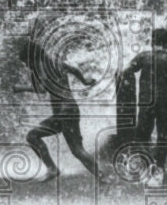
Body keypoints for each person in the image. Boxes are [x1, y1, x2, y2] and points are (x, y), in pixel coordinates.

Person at [15, 36, 103, 182]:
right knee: (77, 150)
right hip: (70, 110)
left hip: (63, 112)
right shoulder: (56, 62)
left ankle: (52, 169)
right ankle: (100, 175)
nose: (27, 65)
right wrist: (84, 81)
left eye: (26, 62)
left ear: (32, 58)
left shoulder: (41, 67)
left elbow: (43, 89)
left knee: (33, 136)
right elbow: (73, 69)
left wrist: (21, 88)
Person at [120, 28, 167, 184]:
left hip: (146, 103)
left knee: (142, 137)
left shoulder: (143, 57)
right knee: (163, 137)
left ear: (152, 42)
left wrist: (125, 86)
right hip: (165, 103)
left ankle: (146, 168)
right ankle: (158, 171)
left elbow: (124, 71)